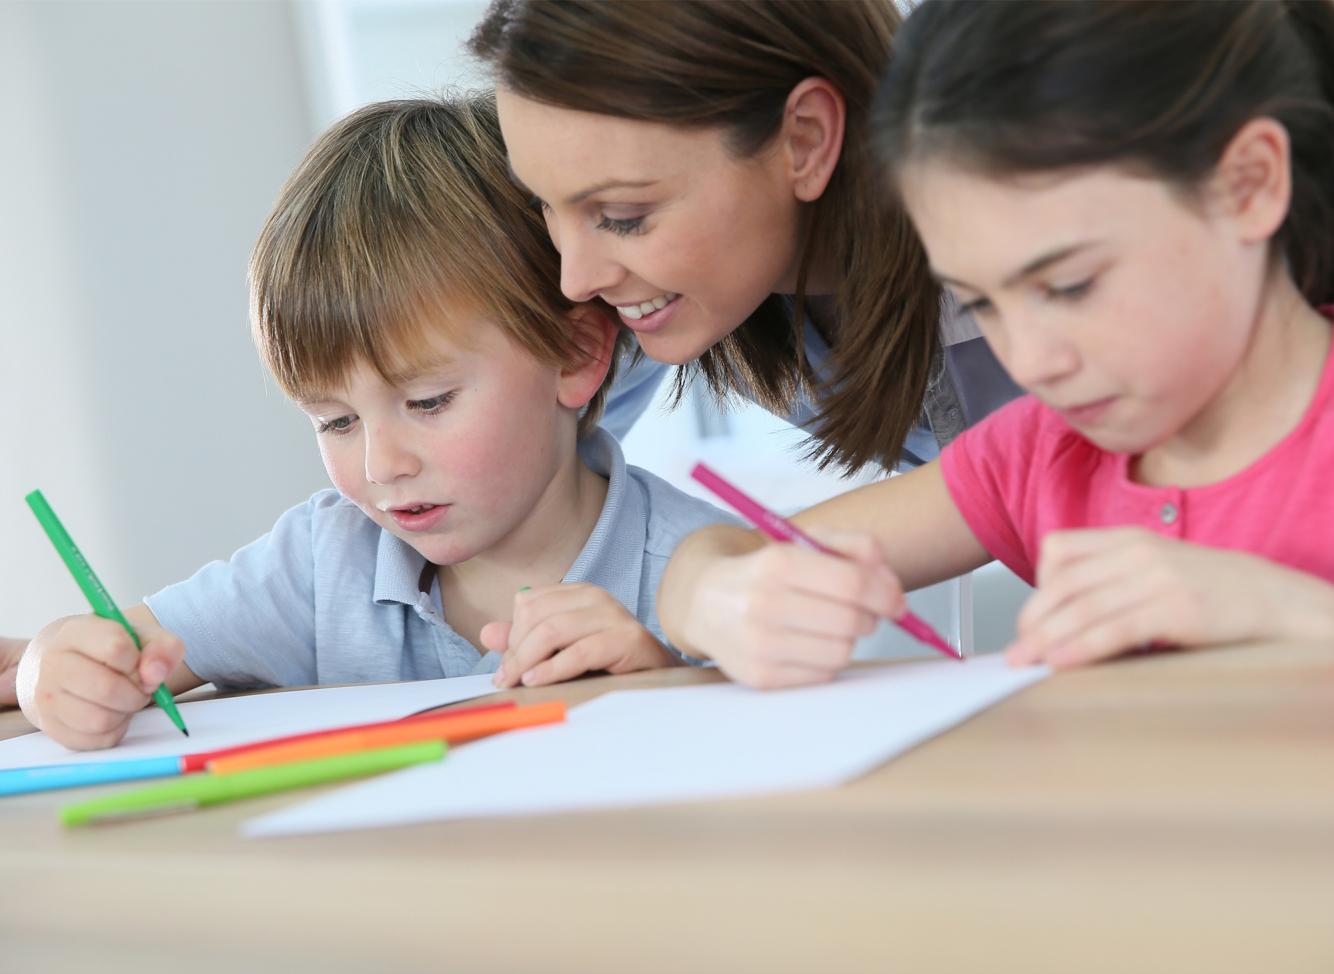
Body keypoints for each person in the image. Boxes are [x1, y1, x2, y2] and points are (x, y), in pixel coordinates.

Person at [16, 95, 733, 749]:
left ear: (575, 354)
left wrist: (659, 681)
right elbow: (114, 647)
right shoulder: (319, 562)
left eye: (428, 403)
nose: (380, 465)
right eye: (334, 421)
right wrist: (54, 670)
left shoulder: (701, 567)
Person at [656, 0, 1334, 688]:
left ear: (1248, 185)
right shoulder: (1037, 454)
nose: (1032, 362)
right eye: (981, 303)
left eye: (1069, 286)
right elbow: (720, 557)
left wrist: (1284, 608)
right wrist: (712, 600)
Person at [469, 0, 1021, 475]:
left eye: (624, 214)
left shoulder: (1026, 201)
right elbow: (526, 472)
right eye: (544, 202)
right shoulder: (668, 281)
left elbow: (1035, 475)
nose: (578, 279)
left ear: (804, 139)